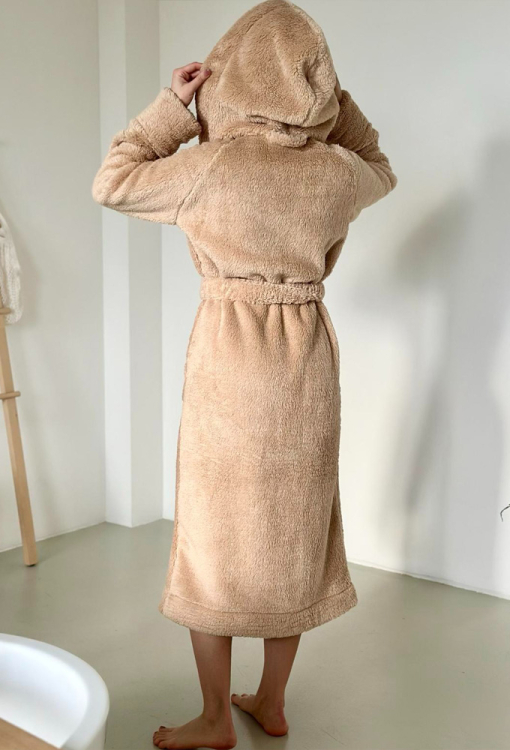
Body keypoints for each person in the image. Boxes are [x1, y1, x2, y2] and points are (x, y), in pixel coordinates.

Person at [92, 1, 397, 748]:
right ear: (312, 81)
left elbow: (113, 181)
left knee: (216, 542)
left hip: (229, 362)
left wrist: (173, 108)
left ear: (232, 75)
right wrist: (329, 107)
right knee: (291, 537)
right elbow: (382, 167)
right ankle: (272, 701)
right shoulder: (336, 172)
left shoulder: (211, 166)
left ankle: (213, 719)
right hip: (307, 361)